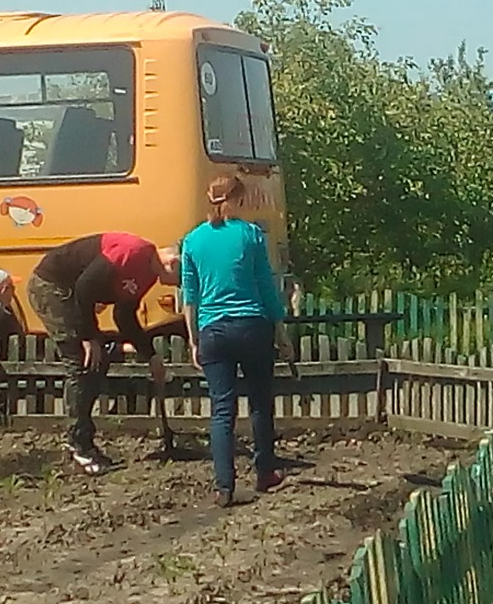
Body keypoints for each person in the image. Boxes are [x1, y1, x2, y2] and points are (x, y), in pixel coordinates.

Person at [180, 175, 293, 508]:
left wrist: (193, 339)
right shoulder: (250, 235)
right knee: (259, 401)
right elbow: (266, 285)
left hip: (213, 331)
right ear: (237, 200)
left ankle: (224, 486)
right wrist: (281, 331)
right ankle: (265, 471)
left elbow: (190, 296)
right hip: (251, 326)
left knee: (221, 409)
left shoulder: (192, 241)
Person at [27, 234, 179, 473]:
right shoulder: (133, 252)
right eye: (183, 277)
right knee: (80, 362)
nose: (181, 285)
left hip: (76, 295)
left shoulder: (148, 275)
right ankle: (79, 446)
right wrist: (88, 336)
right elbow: (85, 286)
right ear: (173, 263)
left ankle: (84, 441)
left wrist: (151, 356)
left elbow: (124, 316)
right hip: (53, 285)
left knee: (96, 363)